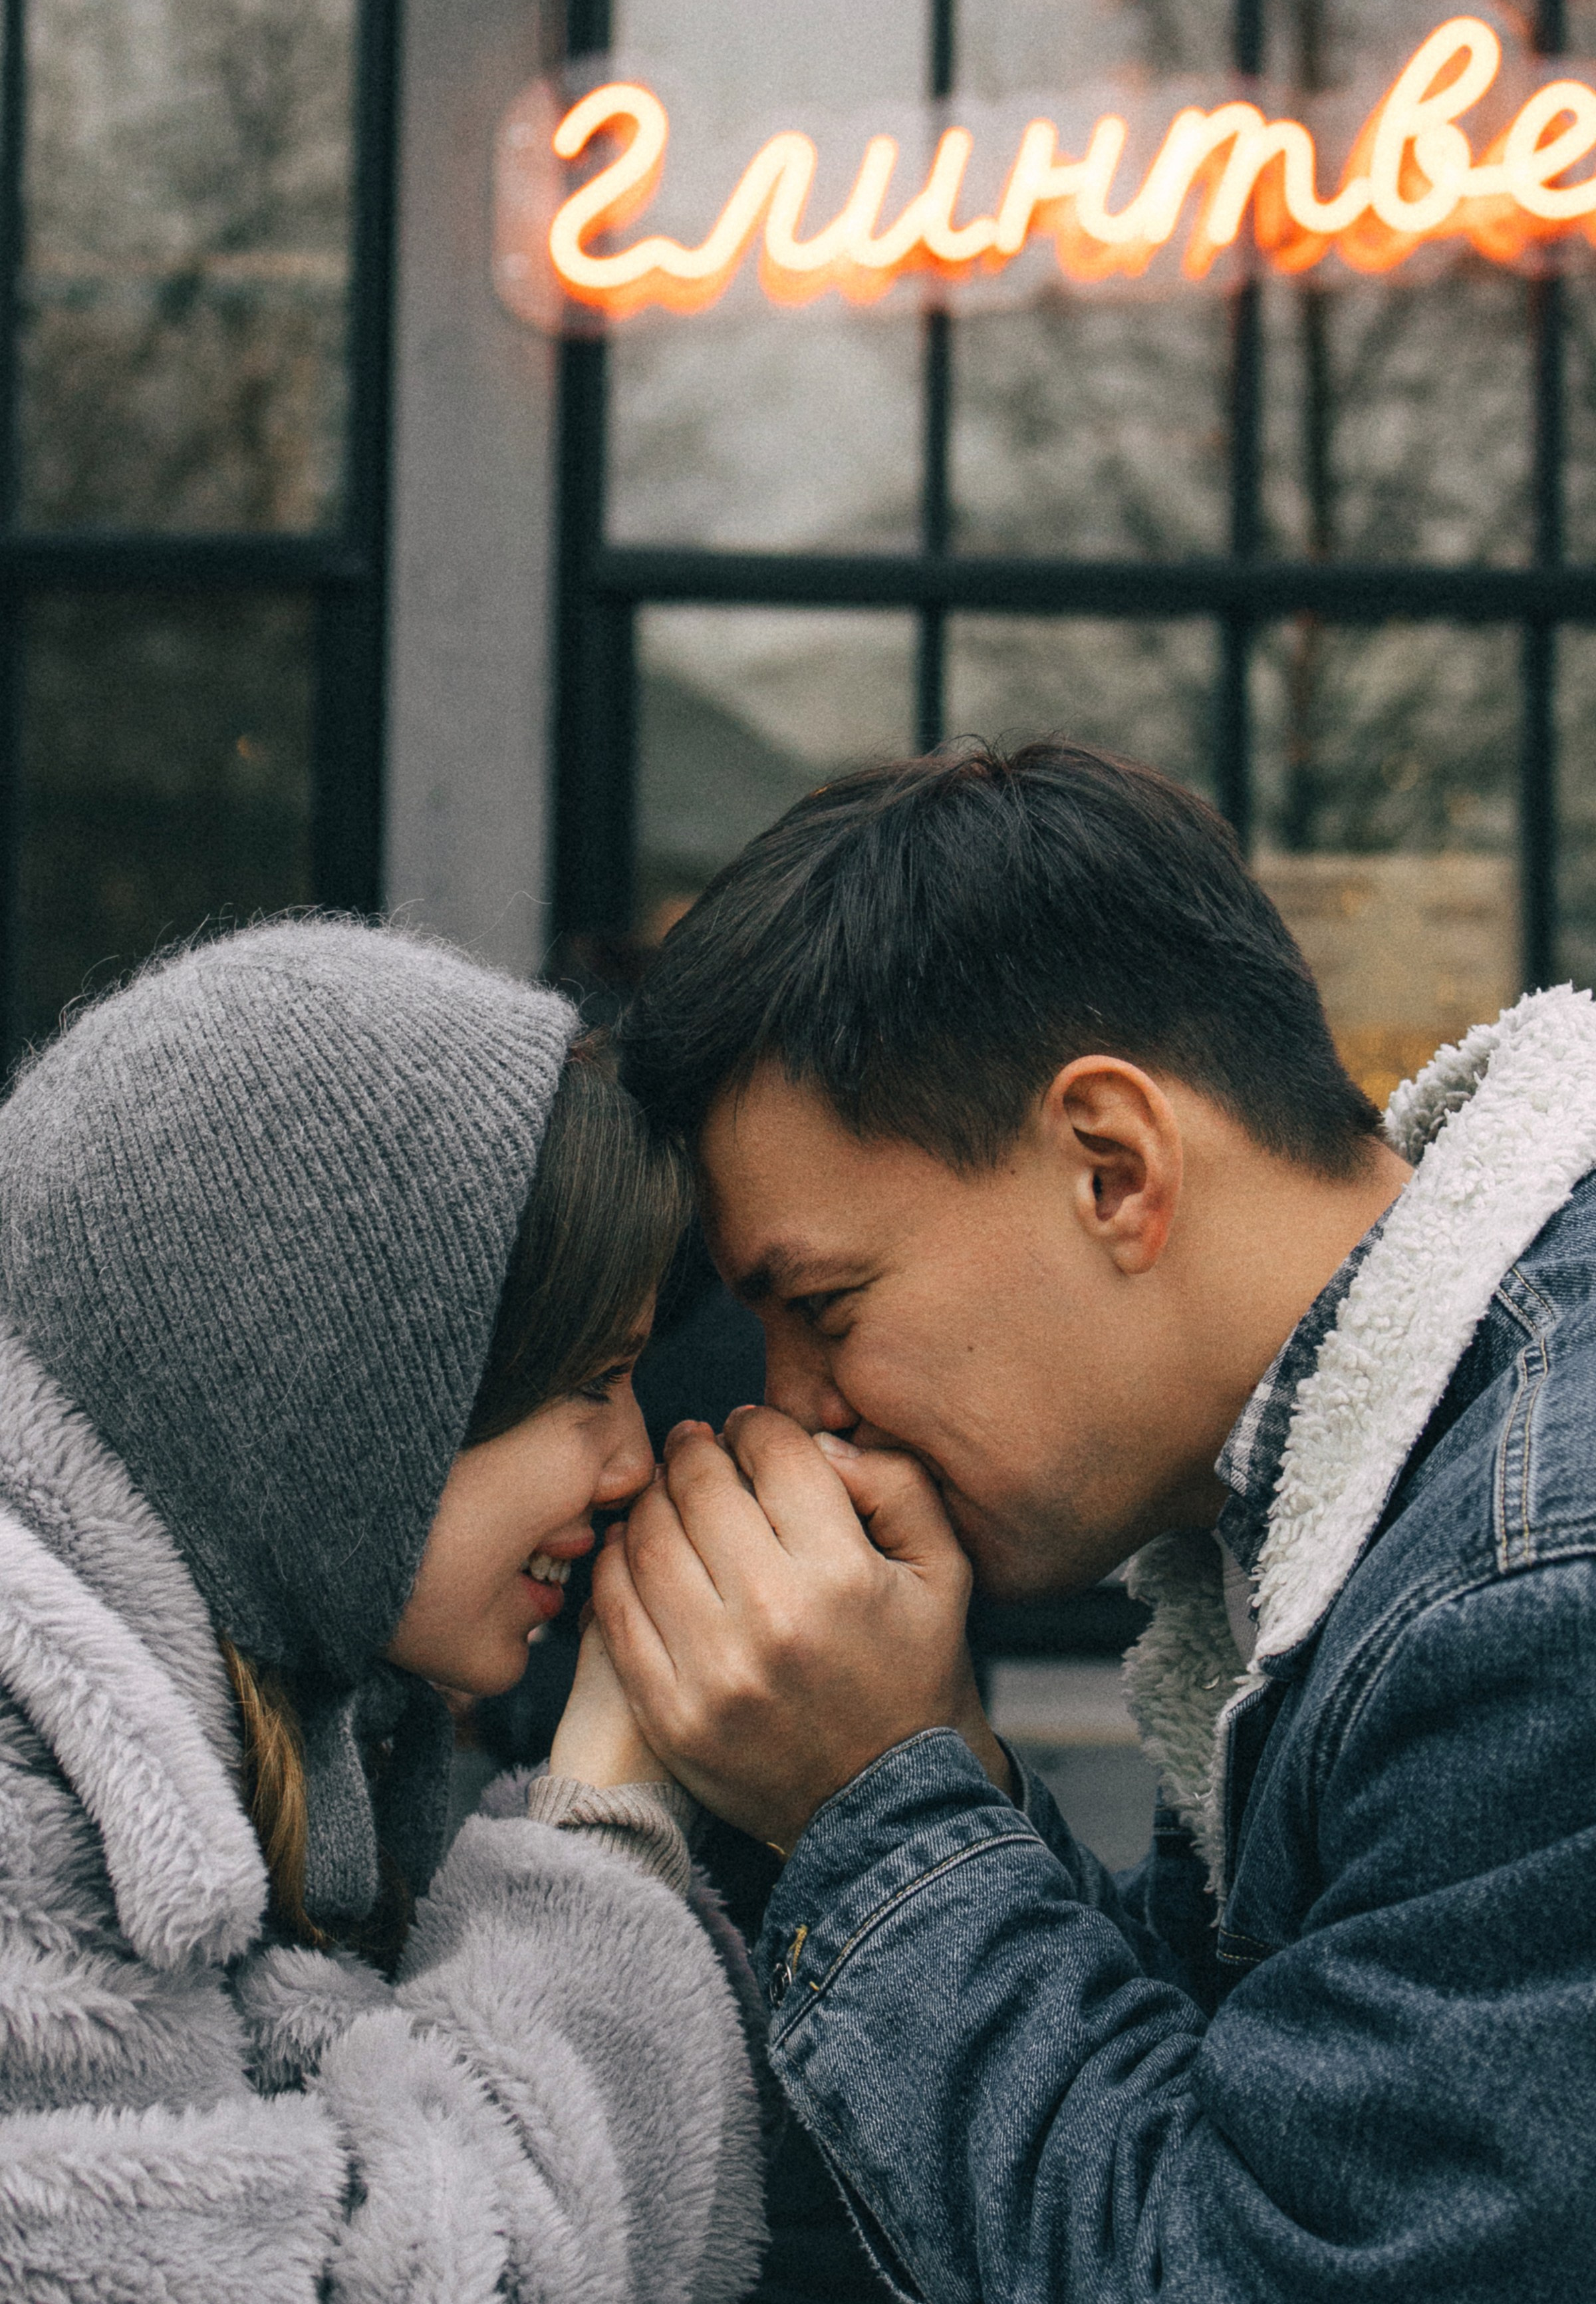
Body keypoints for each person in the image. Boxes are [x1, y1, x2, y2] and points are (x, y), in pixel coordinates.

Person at [598, 740, 1596, 2302]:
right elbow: (1234, 2113)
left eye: (825, 1305)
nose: (795, 1410)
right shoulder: (1405, 1491)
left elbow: (1239, 2270)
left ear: (1113, 1168)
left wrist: (872, 1798)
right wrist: (935, 1780)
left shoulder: (1532, 1592)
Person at [0, 919, 765, 2303]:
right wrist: (596, 1830)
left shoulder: (283, 1733)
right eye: (588, 1380)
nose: (635, 1462)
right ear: (323, 1389)